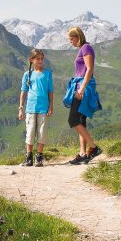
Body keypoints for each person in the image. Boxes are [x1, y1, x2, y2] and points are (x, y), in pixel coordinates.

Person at [63, 27, 102, 164]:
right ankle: (83, 153)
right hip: (80, 85)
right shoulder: (84, 48)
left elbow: (90, 69)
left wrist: (82, 89)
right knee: (81, 120)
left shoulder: (86, 48)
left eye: (71, 39)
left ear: (78, 37)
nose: (70, 42)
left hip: (82, 87)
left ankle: (94, 147)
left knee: (73, 120)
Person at [18, 49, 54, 167]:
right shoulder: (27, 75)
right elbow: (23, 91)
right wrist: (21, 108)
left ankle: (39, 157)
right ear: (31, 60)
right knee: (30, 132)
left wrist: (50, 106)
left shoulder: (47, 73)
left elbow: (50, 91)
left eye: (41, 59)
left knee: (41, 133)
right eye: (37, 59)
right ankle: (29, 158)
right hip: (31, 108)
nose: (40, 61)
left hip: (43, 108)